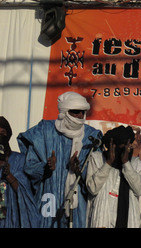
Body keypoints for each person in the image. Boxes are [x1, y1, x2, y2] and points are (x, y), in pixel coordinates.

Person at [17, 91, 103, 228]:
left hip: (77, 204)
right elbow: (29, 167)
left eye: (83, 112)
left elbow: (95, 178)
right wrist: (46, 167)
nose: (80, 116)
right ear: (64, 112)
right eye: (76, 112)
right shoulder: (44, 131)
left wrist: (78, 170)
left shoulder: (91, 137)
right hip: (48, 196)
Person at [86, 125, 141, 228]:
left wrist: (126, 164)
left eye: (126, 146)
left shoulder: (137, 165)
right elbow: (92, 188)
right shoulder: (98, 159)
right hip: (102, 217)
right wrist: (108, 164)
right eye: (119, 147)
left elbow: (140, 190)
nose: (123, 150)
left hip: (128, 218)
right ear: (112, 146)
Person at [0, 116, 40, 227]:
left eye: (3, 133)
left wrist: (9, 176)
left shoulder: (20, 159)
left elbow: (26, 192)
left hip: (13, 219)